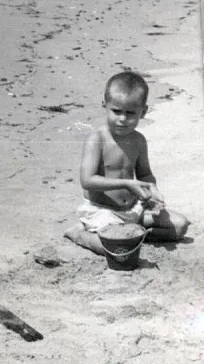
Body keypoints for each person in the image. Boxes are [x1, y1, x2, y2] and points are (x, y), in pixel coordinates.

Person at [63, 71, 189, 255]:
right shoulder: (97, 139)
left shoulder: (139, 140)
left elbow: (145, 174)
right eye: (116, 111)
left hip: (133, 210)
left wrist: (153, 191)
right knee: (112, 247)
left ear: (143, 112)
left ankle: (132, 236)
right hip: (102, 211)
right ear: (104, 104)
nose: (122, 119)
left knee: (180, 225)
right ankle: (78, 234)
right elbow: (87, 181)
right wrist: (127, 184)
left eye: (130, 113)